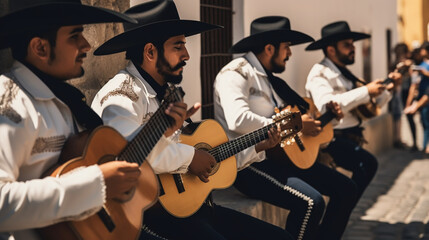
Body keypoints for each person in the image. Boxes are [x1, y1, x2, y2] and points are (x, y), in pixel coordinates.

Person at [91, 1, 293, 239]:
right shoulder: (120, 96)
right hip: (147, 217)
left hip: (192, 209)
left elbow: (208, 159)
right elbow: (128, 153)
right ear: (150, 52)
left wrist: (257, 145)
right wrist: (190, 158)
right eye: (178, 47)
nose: (186, 55)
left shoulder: (165, 92)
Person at [0, 0, 183, 239]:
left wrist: (159, 130)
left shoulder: (66, 100)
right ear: (40, 48)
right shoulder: (10, 104)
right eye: (75, 36)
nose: (86, 45)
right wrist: (97, 184)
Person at [214, 16, 358, 240]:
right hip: (247, 163)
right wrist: (295, 127)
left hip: (279, 156)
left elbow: (295, 115)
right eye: (287, 47)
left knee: (346, 188)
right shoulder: (236, 73)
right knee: (312, 203)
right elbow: (238, 119)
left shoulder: (270, 80)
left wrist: (326, 117)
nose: (290, 54)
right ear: (270, 49)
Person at [305, 21, 401, 207]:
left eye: (352, 44)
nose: (353, 49)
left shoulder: (345, 73)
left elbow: (367, 108)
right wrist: (366, 91)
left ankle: (339, 214)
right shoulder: (320, 73)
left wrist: (388, 90)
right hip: (332, 139)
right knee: (365, 168)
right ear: (331, 50)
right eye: (347, 45)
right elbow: (328, 106)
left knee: (352, 185)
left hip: (351, 137)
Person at [404, 41, 429, 153]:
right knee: (423, 121)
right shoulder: (422, 64)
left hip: (426, 96)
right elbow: (414, 83)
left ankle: (425, 146)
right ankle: (424, 145)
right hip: (422, 95)